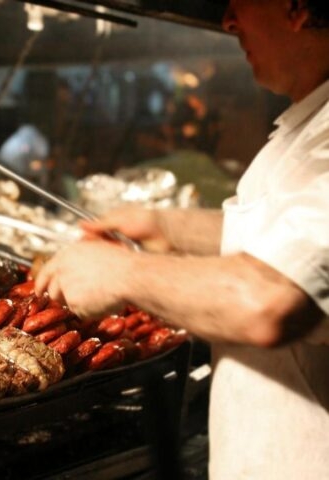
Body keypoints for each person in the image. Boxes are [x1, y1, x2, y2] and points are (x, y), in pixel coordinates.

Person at [35, 1, 329, 478]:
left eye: (239, 3)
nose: (228, 21)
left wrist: (123, 272)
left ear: (295, 8)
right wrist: (168, 228)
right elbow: (281, 240)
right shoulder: (311, 122)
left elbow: (274, 299)